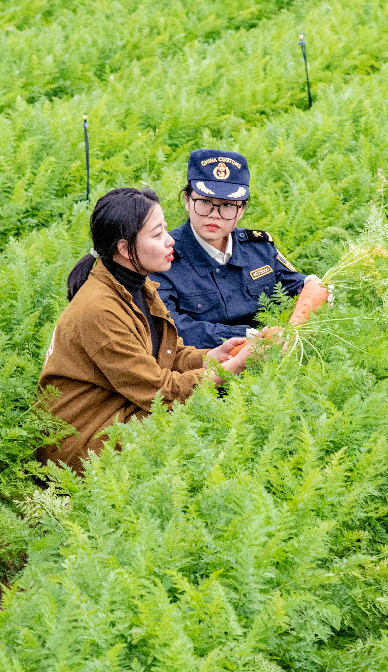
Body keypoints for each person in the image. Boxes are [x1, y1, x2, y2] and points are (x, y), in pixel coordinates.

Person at [37, 187, 251, 475]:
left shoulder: (137, 284)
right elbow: (159, 393)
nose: (170, 240)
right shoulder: (99, 309)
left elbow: (162, 352)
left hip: (117, 410)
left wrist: (210, 357)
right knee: (211, 429)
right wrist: (230, 369)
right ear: (125, 249)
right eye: (157, 234)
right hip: (82, 444)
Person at [151, 149, 322, 349]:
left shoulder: (259, 248)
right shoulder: (164, 257)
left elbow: (300, 288)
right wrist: (250, 337)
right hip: (209, 367)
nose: (214, 215)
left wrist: (293, 329)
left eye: (227, 205)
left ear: (241, 210)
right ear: (187, 201)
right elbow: (171, 327)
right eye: (205, 202)